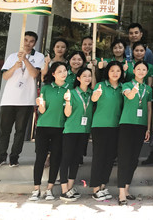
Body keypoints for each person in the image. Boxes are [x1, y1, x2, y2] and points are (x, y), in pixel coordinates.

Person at [0, 31, 44, 169]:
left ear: (35, 43)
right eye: (26, 40)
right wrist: (15, 66)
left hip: (26, 100)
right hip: (9, 99)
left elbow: (34, 74)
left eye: (31, 41)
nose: (28, 43)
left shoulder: (38, 56)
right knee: (4, 130)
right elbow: (5, 76)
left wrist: (25, 60)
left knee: (20, 130)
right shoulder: (12, 56)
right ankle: (1, 156)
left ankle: (14, 156)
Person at [28, 62, 68, 201]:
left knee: (56, 158)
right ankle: (36, 189)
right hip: (43, 127)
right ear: (53, 74)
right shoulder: (46, 88)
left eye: (65, 71)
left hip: (60, 127)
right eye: (60, 71)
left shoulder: (69, 89)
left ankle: (49, 189)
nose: (63, 73)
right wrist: (40, 104)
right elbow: (42, 110)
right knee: (40, 158)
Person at [117, 61, 153, 205]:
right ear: (134, 70)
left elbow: (149, 109)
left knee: (133, 159)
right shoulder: (126, 85)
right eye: (138, 69)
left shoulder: (148, 89)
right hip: (126, 124)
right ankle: (121, 192)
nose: (141, 72)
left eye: (144, 69)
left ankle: (127, 188)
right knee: (124, 158)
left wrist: (148, 128)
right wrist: (134, 90)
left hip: (141, 125)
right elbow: (130, 96)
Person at [90, 61, 124, 201]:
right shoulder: (101, 85)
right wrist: (96, 95)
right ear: (107, 72)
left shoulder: (123, 87)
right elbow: (93, 99)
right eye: (112, 70)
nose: (115, 73)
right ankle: (95, 188)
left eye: (118, 71)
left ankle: (103, 186)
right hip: (100, 126)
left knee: (110, 158)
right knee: (99, 157)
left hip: (115, 126)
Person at [59, 66, 94, 202]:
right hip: (71, 130)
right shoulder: (72, 93)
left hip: (84, 131)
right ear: (78, 78)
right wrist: (68, 101)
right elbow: (67, 113)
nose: (87, 78)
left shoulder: (92, 94)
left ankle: (70, 187)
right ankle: (63, 190)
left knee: (76, 160)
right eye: (84, 76)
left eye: (89, 76)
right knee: (66, 159)